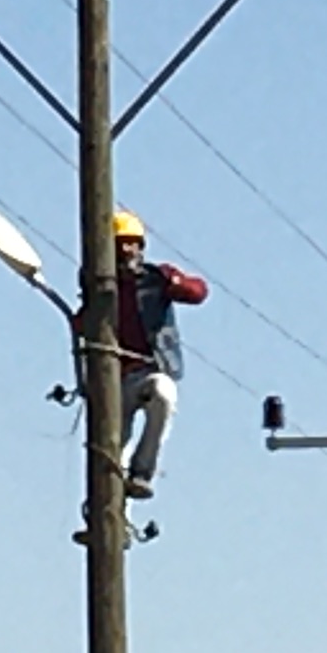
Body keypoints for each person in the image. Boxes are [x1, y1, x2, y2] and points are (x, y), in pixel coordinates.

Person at [108, 210, 206, 503]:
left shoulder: (156, 278)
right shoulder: (102, 287)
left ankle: (142, 472)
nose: (127, 250)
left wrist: (174, 283)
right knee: (112, 450)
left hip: (149, 371)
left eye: (131, 243)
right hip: (113, 379)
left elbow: (198, 291)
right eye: (120, 244)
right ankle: (110, 511)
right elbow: (83, 322)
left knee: (163, 394)